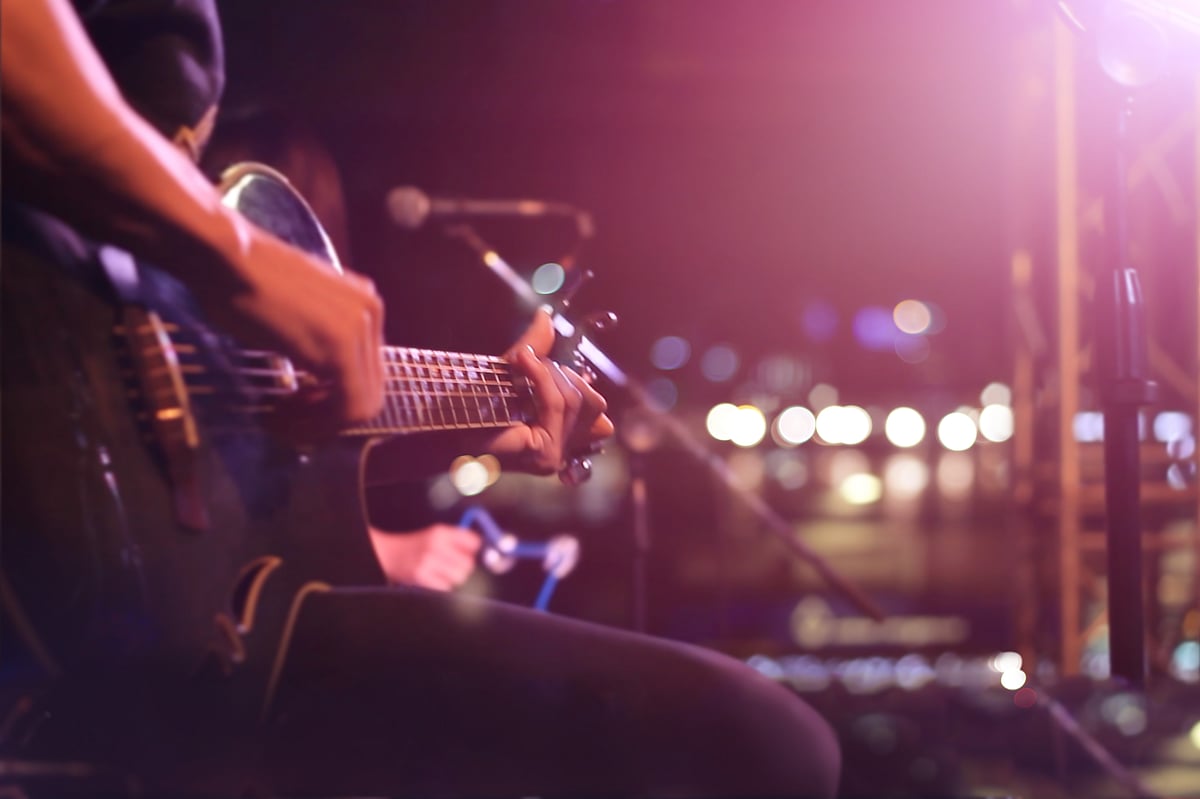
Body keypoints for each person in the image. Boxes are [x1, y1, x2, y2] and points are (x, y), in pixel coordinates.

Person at [0, 1, 842, 797]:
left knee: (766, 740)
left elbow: (259, 433)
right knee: (756, 742)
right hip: (79, 495)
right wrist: (237, 254)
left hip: (174, 598)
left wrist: (470, 422)